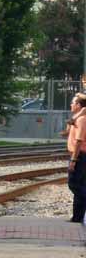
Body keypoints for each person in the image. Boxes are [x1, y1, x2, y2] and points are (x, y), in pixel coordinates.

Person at [67, 93, 86, 223]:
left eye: (73, 103)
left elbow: (79, 141)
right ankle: (77, 217)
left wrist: (74, 160)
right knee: (80, 184)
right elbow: (68, 128)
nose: (71, 105)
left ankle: (78, 216)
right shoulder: (79, 118)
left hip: (80, 155)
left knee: (74, 184)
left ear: (79, 105)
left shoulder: (82, 120)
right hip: (80, 155)